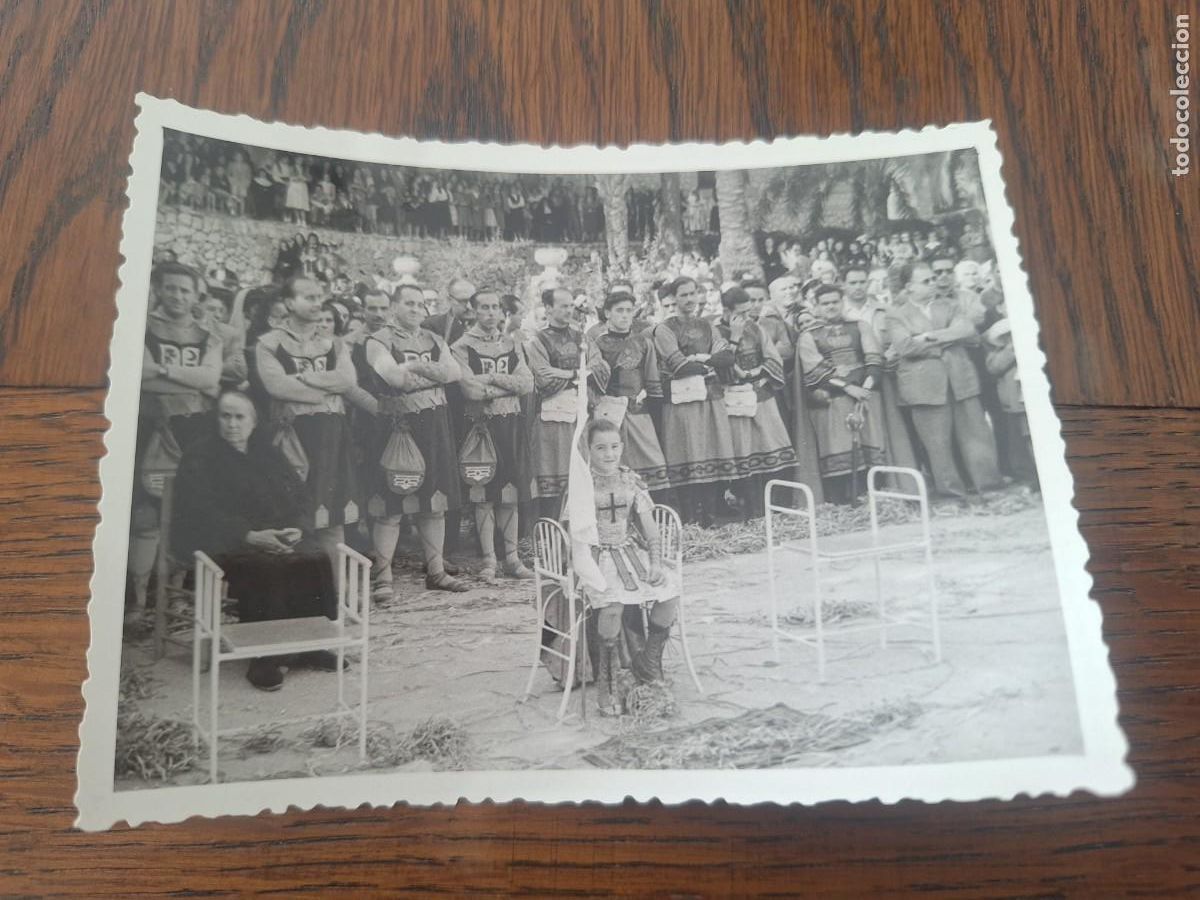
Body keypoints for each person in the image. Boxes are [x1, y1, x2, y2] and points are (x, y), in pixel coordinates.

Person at [172, 392, 341, 691]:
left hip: (272, 534)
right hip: (221, 540)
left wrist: (297, 529)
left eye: (240, 417)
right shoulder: (201, 456)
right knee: (266, 568)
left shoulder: (267, 453)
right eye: (226, 416)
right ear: (216, 419)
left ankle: (309, 645)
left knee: (314, 557)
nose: (232, 424)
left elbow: (299, 497)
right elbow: (201, 511)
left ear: (253, 422)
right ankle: (263, 658)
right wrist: (249, 536)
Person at [566, 418, 679, 717]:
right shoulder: (582, 485)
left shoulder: (631, 481)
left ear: (622, 447)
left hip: (631, 551)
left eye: (615, 447)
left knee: (670, 595)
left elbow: (650, 529)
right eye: (601, 448)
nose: (609, 454)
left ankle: (648, 662)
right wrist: (584, 563)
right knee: (612, 605)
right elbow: (575, 532)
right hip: (595, 554)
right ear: (589, 450)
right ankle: (608, 677)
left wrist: (655, 562)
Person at [129, 262, 224, 611]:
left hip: (195, 427)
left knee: (190, 508)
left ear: (196, 294)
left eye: (185, 290)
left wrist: (164, 371)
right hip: (152, 424)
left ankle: (173, 596)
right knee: (145, 514)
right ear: (158, 289)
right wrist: (191, 377)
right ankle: (138, 600)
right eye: (171, 288)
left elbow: (211, 380)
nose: (178, 296)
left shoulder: (207, 335)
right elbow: (138, 375)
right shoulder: (142, 326)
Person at [365, 284, 468, 594]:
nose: (415, 309)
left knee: (434, 503)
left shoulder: (433, 339)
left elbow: (454, 374)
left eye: (420, 304)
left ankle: (435, 571)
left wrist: (413, 365)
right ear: (395, 305)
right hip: (398, 426)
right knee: (391, 504)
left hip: (434, 424)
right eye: (408, 303)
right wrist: (430, 373)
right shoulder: (377, 341)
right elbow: (393, 378)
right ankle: (383, 576)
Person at [255, 276, 361, 563]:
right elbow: (277, 386)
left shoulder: (334, 343)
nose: (317, 304)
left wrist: (304, 378)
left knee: (332, 516)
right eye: (309, 298)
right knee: (292, 516)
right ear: (290, 302)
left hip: (332, 434)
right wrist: (324, 392)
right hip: (293, 434)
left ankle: (336, 593)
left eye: (319, 298)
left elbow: (348, 380)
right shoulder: (269, 343)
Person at [886, 262, 1001, 500]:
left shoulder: (950, 304)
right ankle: (952, 496)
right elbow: (905, 346)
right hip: (924, 386)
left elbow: (967, 330)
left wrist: (928, 337)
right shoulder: (895, 314)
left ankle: (990, 490)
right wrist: (947, 340)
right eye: (926, 281)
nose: (934, 283)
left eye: (932, 279)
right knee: (937, 445)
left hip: (960, 379)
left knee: (978, 438)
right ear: (909, 287)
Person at [451, 288, 535, 583]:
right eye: (483, 307)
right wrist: (503, 385)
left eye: (495, 307)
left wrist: (491, 378)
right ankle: (489, 560)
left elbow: (527, 383)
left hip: (510, 423)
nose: (489, 313)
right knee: (483, 495)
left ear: (502, 312)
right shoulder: (461, 346)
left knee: (509, 495)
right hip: (480, 427)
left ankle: (512, 558)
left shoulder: (511, 343)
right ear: (473, 311)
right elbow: (469, 390)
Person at [652, 277, 738, 525]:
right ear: (674, 299)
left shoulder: (708, 326)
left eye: (693, 293)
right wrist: (709, 360)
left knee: (712, 452)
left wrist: (701, 358)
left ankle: (710, 518)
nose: (689, 299)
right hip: (682, 401)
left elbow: (727, 358)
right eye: (683, 295)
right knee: (687, 455)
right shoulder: (665, 329)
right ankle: (689, 521)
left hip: (711, 399)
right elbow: (678, 365)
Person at [798, 284, 889, 502]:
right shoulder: (809, 336)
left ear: (842, 302)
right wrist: (848, 387)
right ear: (816, 307)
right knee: (837, 450)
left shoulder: (860, 326)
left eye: (835, 302)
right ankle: (842, 503)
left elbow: (874, 357)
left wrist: (865, 388)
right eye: (825, 303)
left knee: (871, 447)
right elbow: (814, 369)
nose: (831, 307)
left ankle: (872, 500)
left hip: (864, 397)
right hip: (834, 400)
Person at [525, 287, 610, 518]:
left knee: (581, 470)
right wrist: (577, 375)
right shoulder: (537, 340)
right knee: (553, 472)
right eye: (563, 306)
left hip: (581, 413)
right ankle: (551, 530)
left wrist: (564, 373)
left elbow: (599, 367)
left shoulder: (582, 337)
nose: (569, 310)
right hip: (552, 418)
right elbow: (542, 376)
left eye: (571, 305)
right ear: (549, 308)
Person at [716, 286, 797, 516]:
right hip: (733, 402)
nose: (746, 318)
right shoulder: (716, 333)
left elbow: (773, 359)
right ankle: (751, 513)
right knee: (744, 455)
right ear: (726, 310)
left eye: (749, 312)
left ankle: (779, 511)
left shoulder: (757, 329)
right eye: (740, 314)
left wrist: (753, 374)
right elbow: (722, 367)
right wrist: (734, 337)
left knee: (774, 449)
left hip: (762, 397)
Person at [591, 291, 671, 498]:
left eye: (629, 311)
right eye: (619, 310)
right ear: (607, 313)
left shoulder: (643, 342)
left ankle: (654, 512)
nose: (625, 315)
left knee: (653, 459)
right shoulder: (597, 344)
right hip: (609, 414)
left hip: (639, 412)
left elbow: (652, 380)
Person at [840, 265, 918, 472]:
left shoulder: (883, 309)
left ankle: (900, 472)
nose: (858, 287)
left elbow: (899, 336)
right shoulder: (840, 312)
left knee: (893, 426)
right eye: (852, 283)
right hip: (856, 378)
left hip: (886, 373)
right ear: (844, 285)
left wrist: (892, 353)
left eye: (861, 282)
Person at [984, 320, 1039, 488]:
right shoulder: (998, 354)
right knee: (1021, 441)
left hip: (1032, 400)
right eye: (1006, 335)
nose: (1010, 337)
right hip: (1014, 404)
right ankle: (1031, 476)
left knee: (1032, 437)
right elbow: (994, 368)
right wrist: (1011, 350)